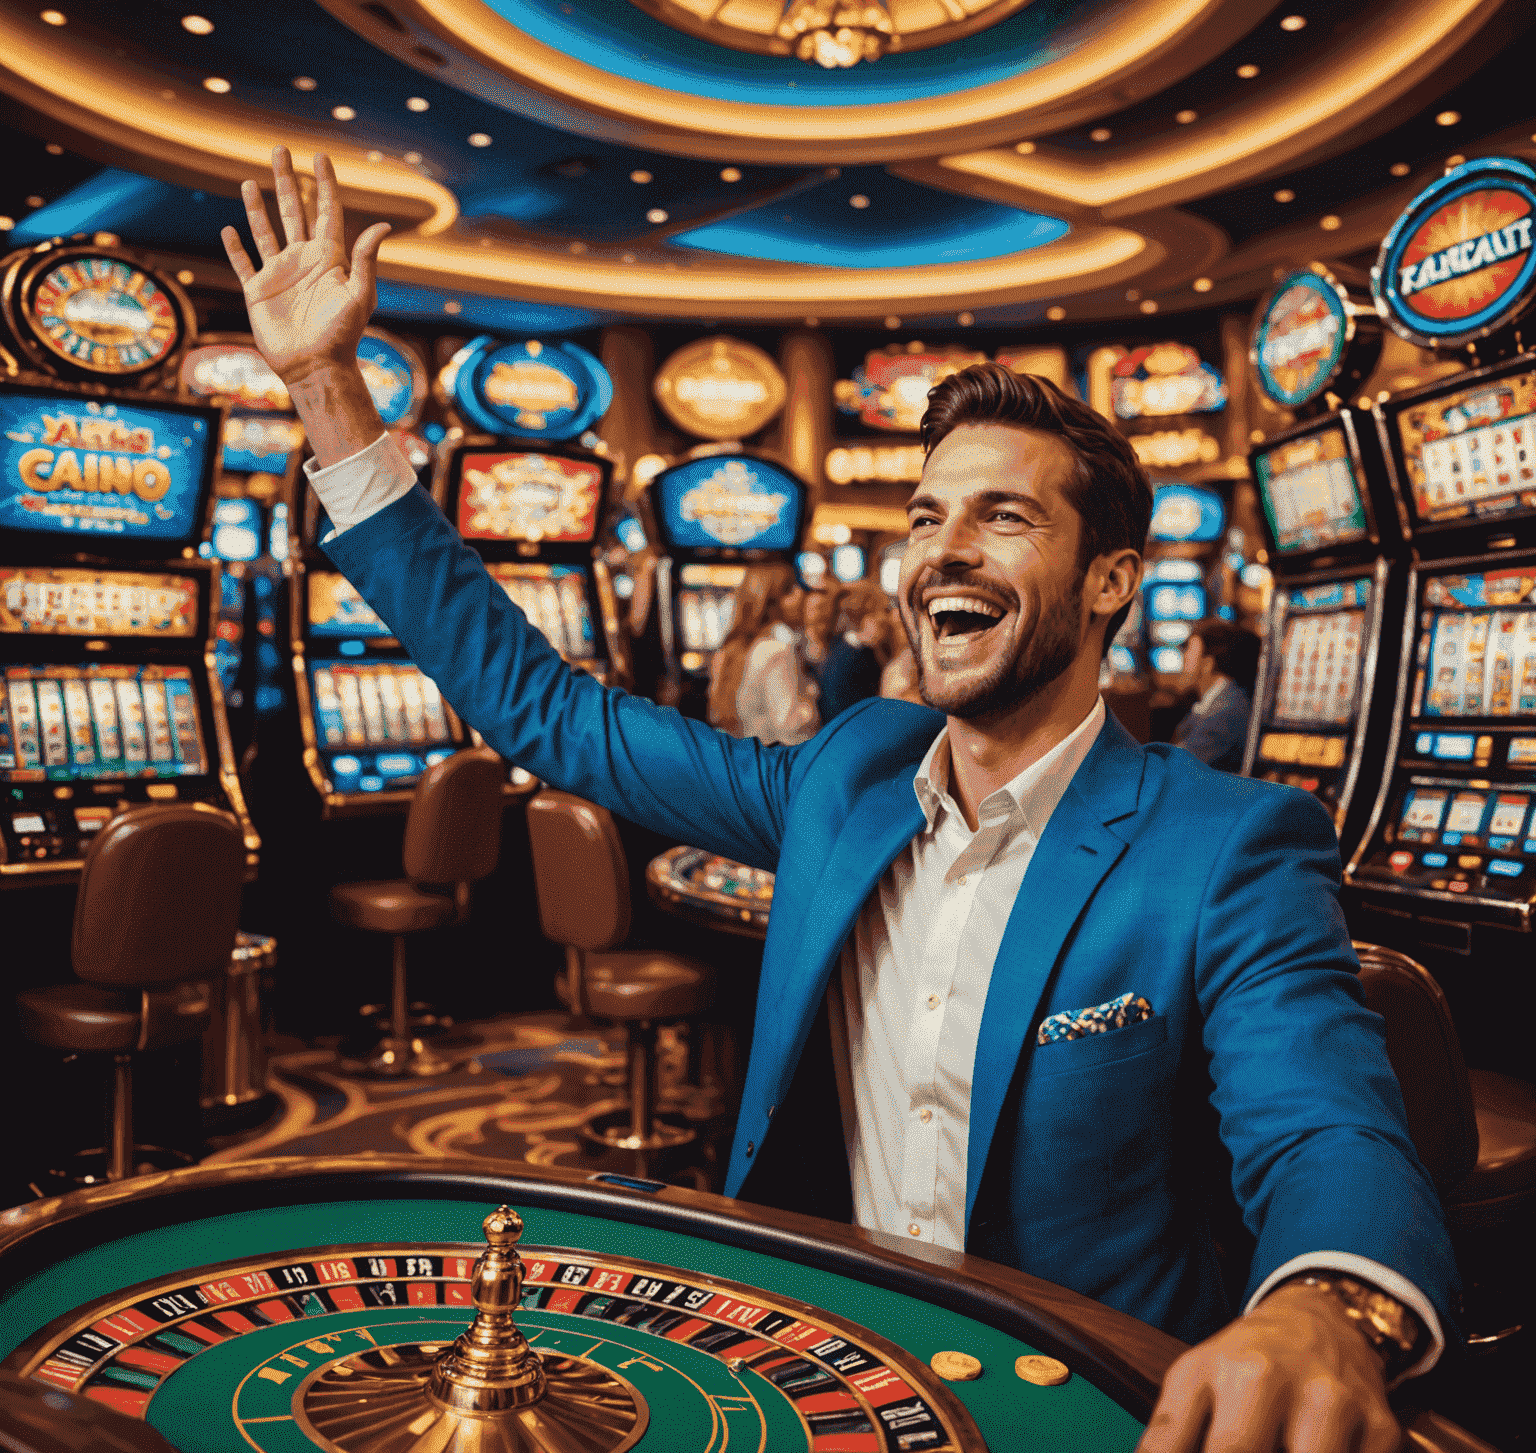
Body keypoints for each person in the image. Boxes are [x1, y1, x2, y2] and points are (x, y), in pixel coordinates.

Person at [224, 148, 1453, 1453]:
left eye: (1004, 519)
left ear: (1109, 583)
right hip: (829, 1377)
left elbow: (1327, 1126)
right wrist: (324, 386)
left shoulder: (1225, 844)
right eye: (925, 519)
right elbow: (544, 708)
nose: (946, 552)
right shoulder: (848, 776)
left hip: (1079, 1405)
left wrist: (1325, 1307)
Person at [707, 564, 819, 745]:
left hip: (742, 760)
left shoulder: (726, 651)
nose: (800, 594)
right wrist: (811, 698)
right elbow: (789, 727)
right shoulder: (776, 649)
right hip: (771, 763)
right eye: (790, 590)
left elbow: (716, 715)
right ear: (769, 602)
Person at [1174, 619, 1261, 772]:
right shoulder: (1220, 702)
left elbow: (1178, 769)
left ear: (1207, 664)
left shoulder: (1226, 713)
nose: (1183, 658)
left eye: (1189, 650)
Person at [819, 582, 896, 721]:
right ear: (868, 617)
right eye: (885, 611)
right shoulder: (858, 659)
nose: (888, 619)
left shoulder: (840, 651)